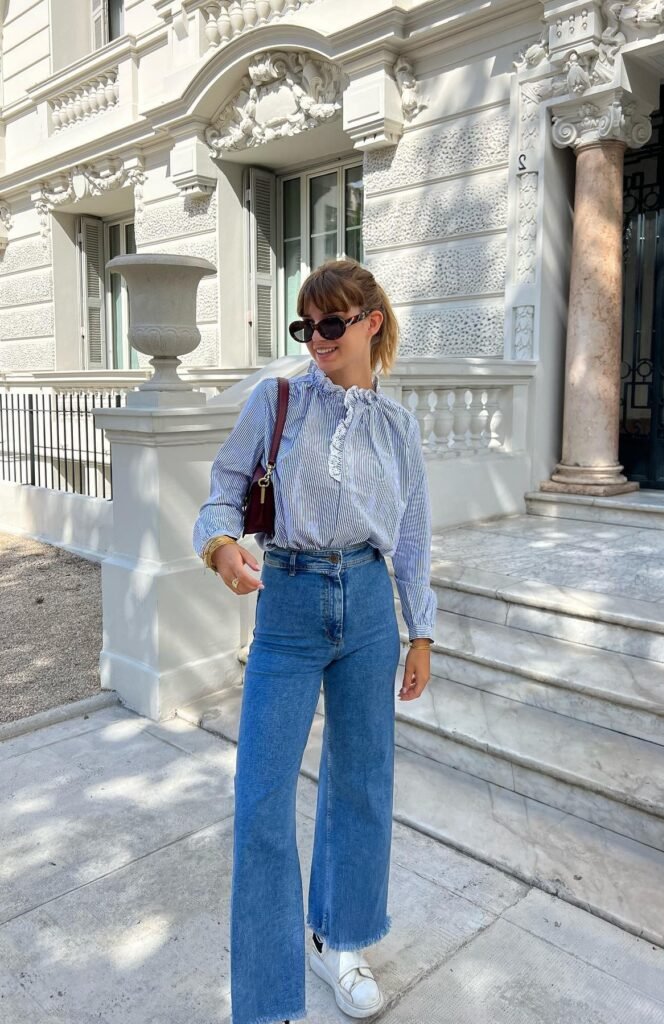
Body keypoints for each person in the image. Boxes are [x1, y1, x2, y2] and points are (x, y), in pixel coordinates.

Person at [193, 258, 436, 1024]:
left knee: (361, 782)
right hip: (289, 603)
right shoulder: (278, 401)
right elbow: (222, 491)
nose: (317, 338)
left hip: (368, 605)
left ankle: (340, 941)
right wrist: (221, 547)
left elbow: (411, 536)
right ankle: (267, 1000)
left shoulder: (397, 427)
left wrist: (421, 631)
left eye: (332, 322)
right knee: (262, 799)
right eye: (306, 325)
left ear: (370, 322)